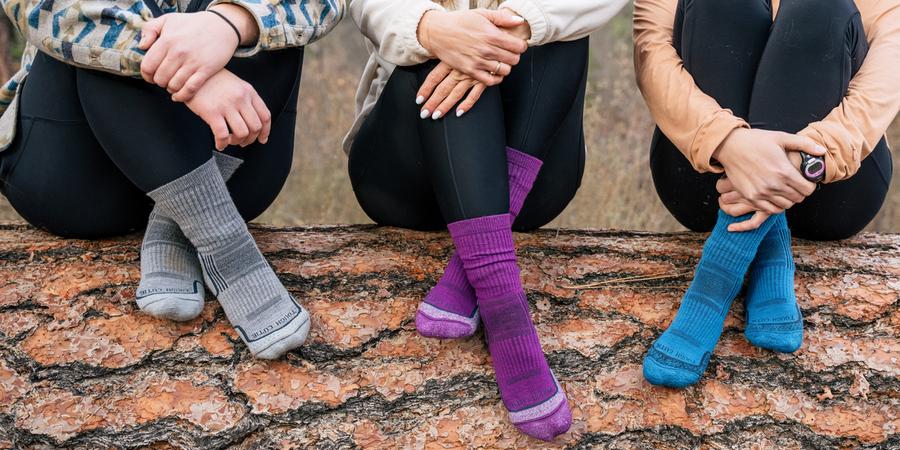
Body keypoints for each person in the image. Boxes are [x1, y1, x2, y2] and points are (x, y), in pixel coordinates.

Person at [344, 0, 628, 441]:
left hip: (532, 180)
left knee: (550, 25)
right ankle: (503, 305)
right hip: (405, 173)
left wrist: (518, 29)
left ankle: (475, 266)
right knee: (445, 43)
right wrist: (435, 29)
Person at [0, 0, 345, 359]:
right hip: (76, 176)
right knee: (104, 18)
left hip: (232, 167)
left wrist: (228, 25)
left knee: (256, 14)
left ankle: (178, 224)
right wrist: (193, 72)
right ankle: (225, 245)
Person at [633, 0, 899, 387]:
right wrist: (728, 143)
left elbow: (887, 71)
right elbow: (651, 55)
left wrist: (804, 161)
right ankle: (760, 256)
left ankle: (717, 276)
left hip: (828, 184)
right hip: (704, 174)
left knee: (819, 6)